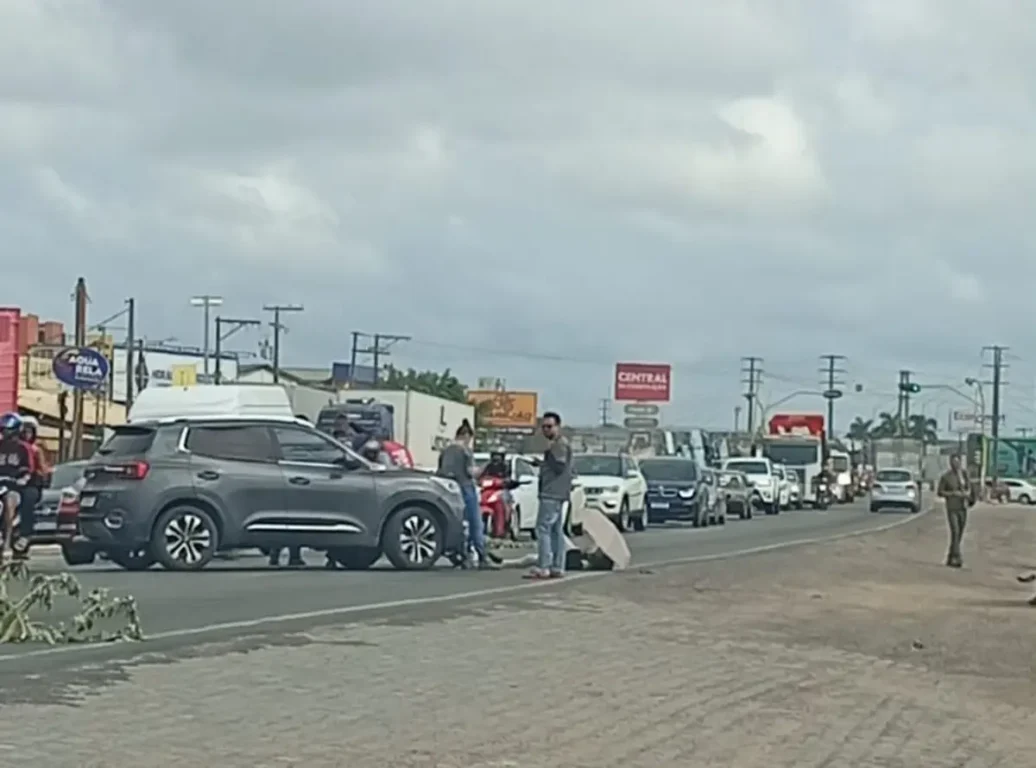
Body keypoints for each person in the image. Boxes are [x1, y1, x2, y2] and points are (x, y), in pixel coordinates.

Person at [437, 419, 496, 569]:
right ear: (466, 436)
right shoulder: (465, 451)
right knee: (475, 523)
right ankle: (482, 556)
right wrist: (486, 467)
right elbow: (472, 472)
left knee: (458, 523)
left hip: (447, 489)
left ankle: (463, 555)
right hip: (465, 487)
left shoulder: (445, 451)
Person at [526, 411, 572, 579]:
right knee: (555, 530)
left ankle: (545, 566)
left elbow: (559, 466)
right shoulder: (556, 445)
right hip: (557, 492)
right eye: (544, 427)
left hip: (552, 493)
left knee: (543, 528)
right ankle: (557, 566)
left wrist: (547, 457)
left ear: (558, 426)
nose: (546, 430)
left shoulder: (558, 445)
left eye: (549, 426)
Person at [0, 413, 34, 560]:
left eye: (10, 430)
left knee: (9, 502)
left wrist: (23, 479)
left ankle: (7, 542)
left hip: (13, 486)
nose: (7, 434)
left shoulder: (23, 448)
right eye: (4, 430)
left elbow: (28, 469)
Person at [17, 416, 48, 558]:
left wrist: (33, 476)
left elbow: (43, 470)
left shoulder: (36, 450)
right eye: (23, 431)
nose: (26, 434)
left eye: (29, 431)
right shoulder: (11, 448)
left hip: (30, 485)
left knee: (28, 501)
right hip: (11, 483)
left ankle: (25, 533)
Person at [937, 453, 971, 568]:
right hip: (952, 507)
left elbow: (969, 488)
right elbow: (940, 492)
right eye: (953, 462)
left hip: (963, 506)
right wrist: (952, 494)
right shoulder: (946, 477)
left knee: (960, 533)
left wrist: (968, 494)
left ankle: (950, 557)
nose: (956, 464)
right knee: (955, 532)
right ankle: (957, 558)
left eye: (957, 462)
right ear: (950, 463)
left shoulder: (964, 475)